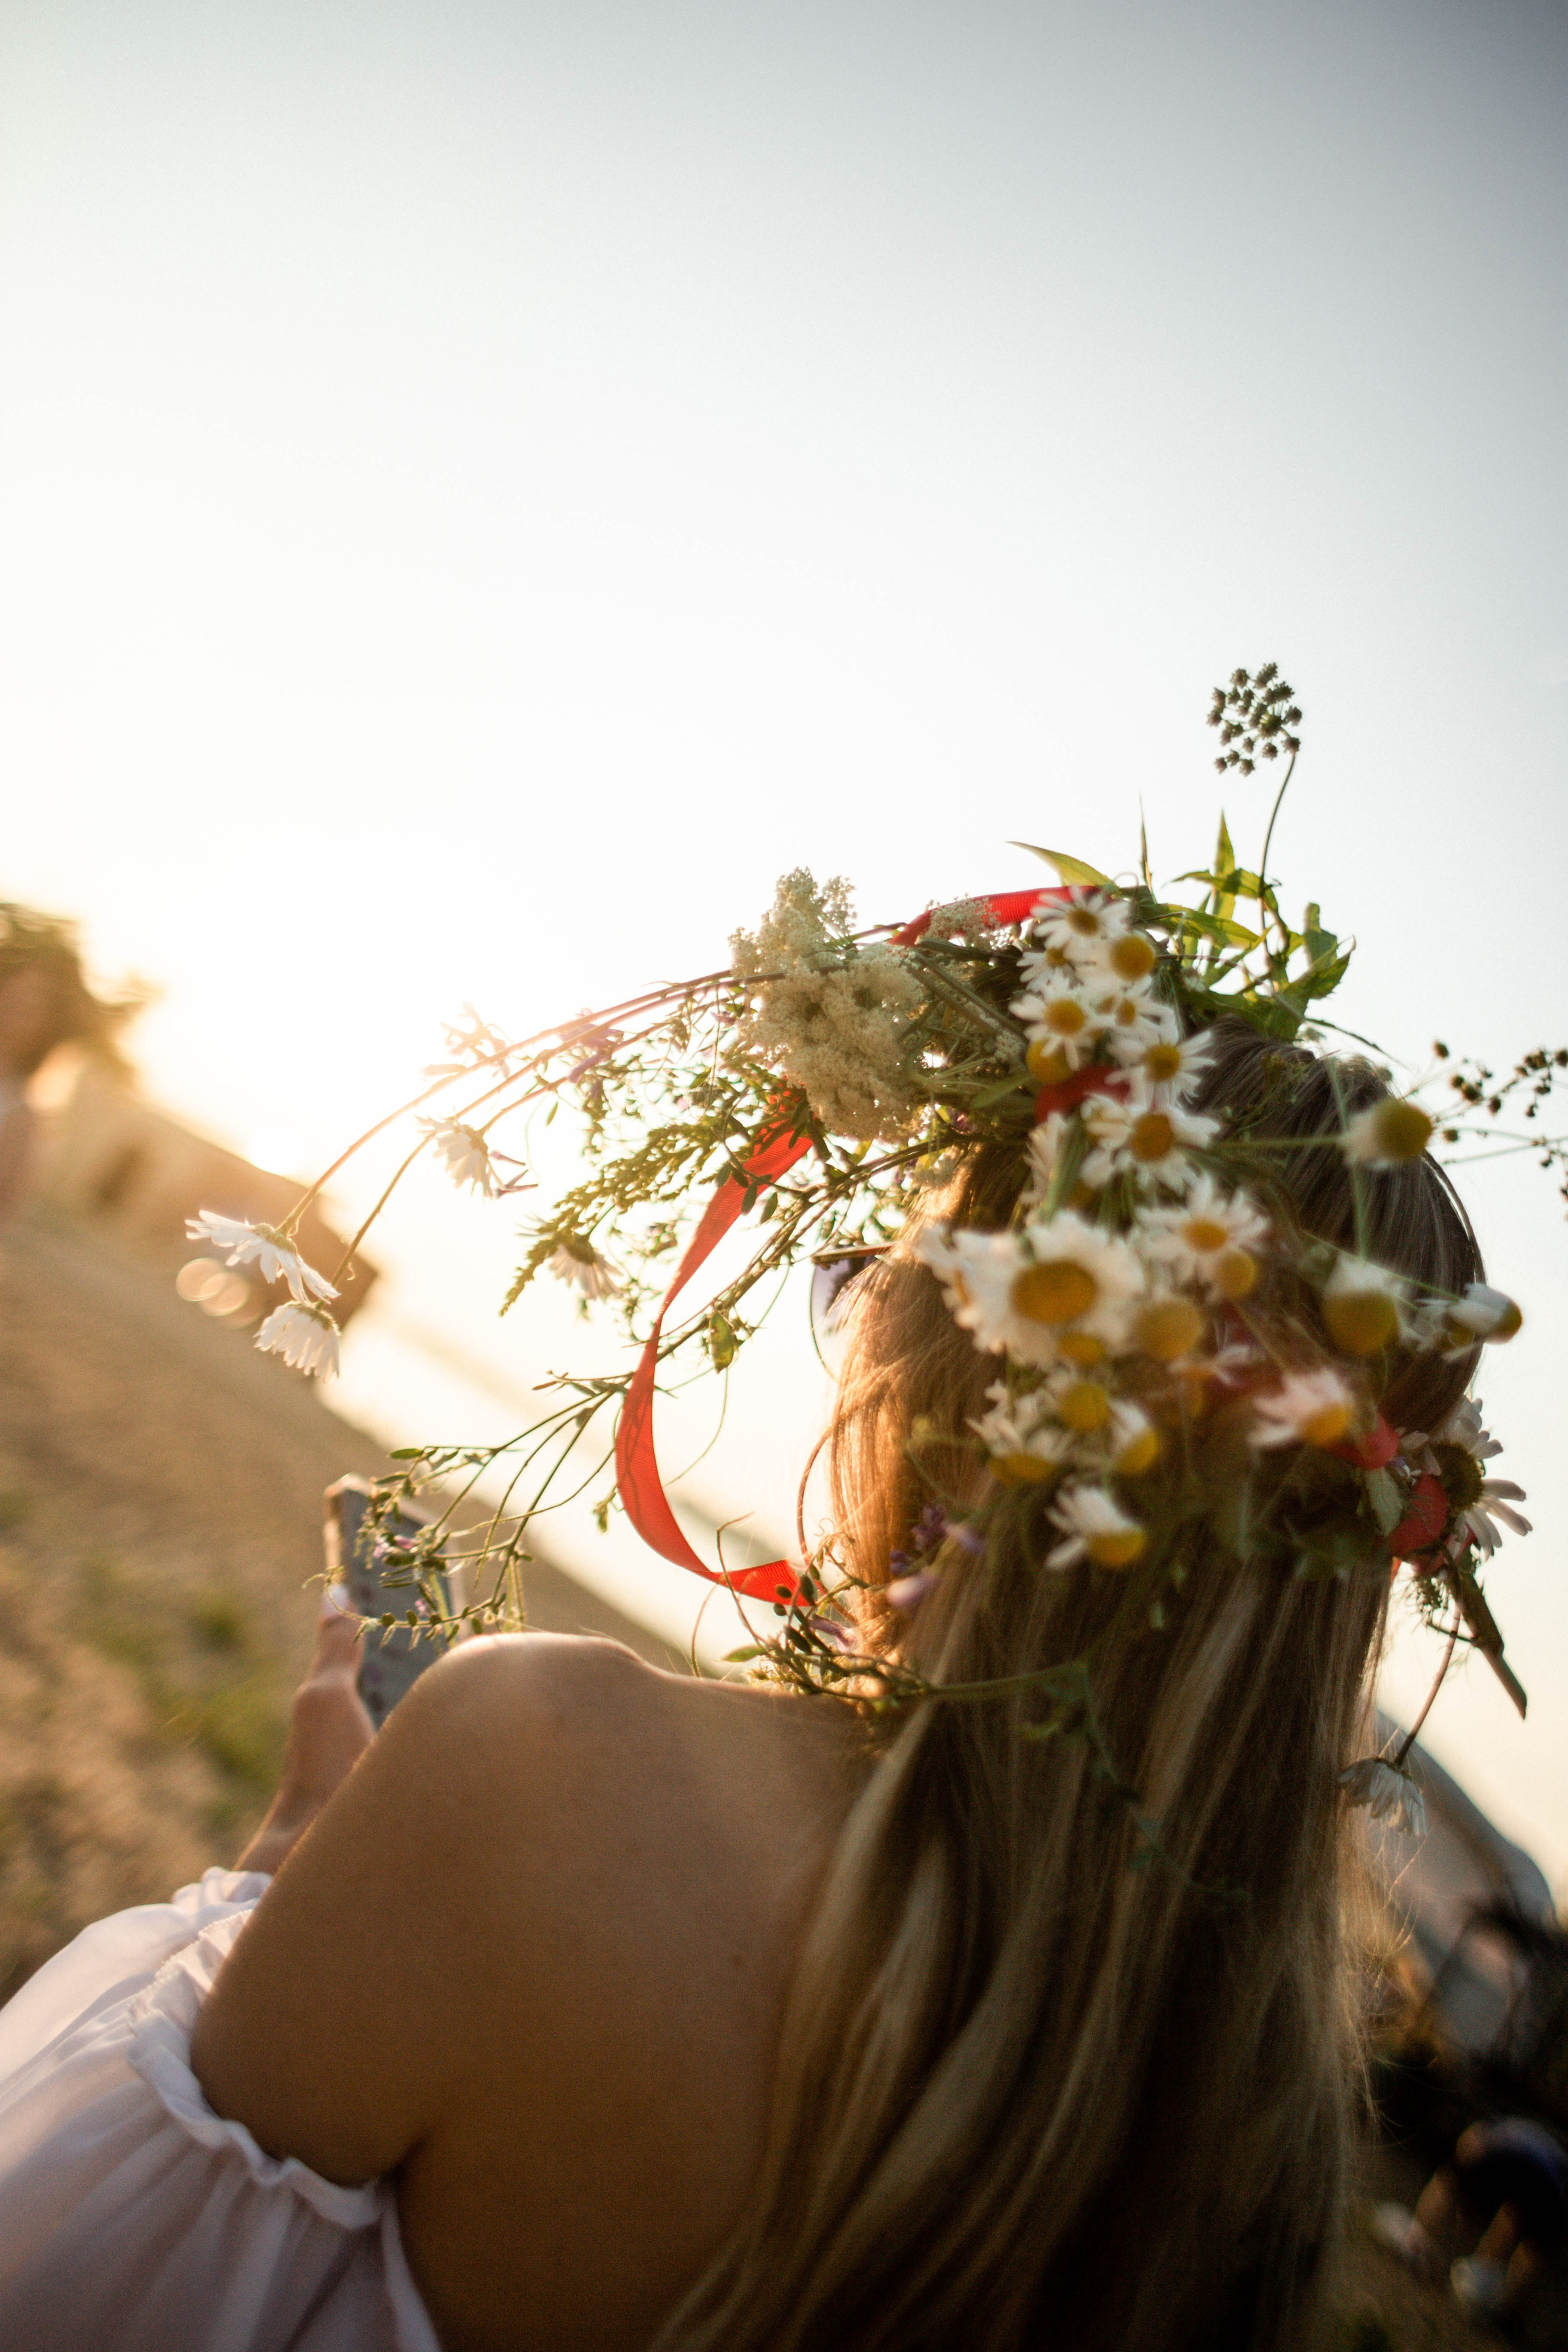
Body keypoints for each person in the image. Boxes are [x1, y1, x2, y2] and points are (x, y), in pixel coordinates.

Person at [0, 821, 1539, 2350]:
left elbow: (81, 2289)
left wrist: (285, 1860)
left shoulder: (543, 1764)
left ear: (964, 1364)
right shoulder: (1257, 2165)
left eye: (884, 1271)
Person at [0, 900, 143, 1220]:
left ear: (48, 1026)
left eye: (31, 1005)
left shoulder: (22, 1116)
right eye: (14, 990)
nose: (13, 1007)